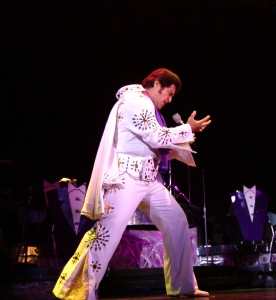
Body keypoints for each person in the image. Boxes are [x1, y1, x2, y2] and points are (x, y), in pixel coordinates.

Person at [53, 68, 211, 299]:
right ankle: (75, 291)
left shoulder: (145, 105)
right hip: (125, 180)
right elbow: (155, 137)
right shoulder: (136, 101)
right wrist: (187, 129)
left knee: (177, 222)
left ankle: (183, 286)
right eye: (169, 92)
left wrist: (182, 136)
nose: (169, 99)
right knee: (105, 234)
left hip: (148, 180)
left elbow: (154, 143)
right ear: (156, 83)